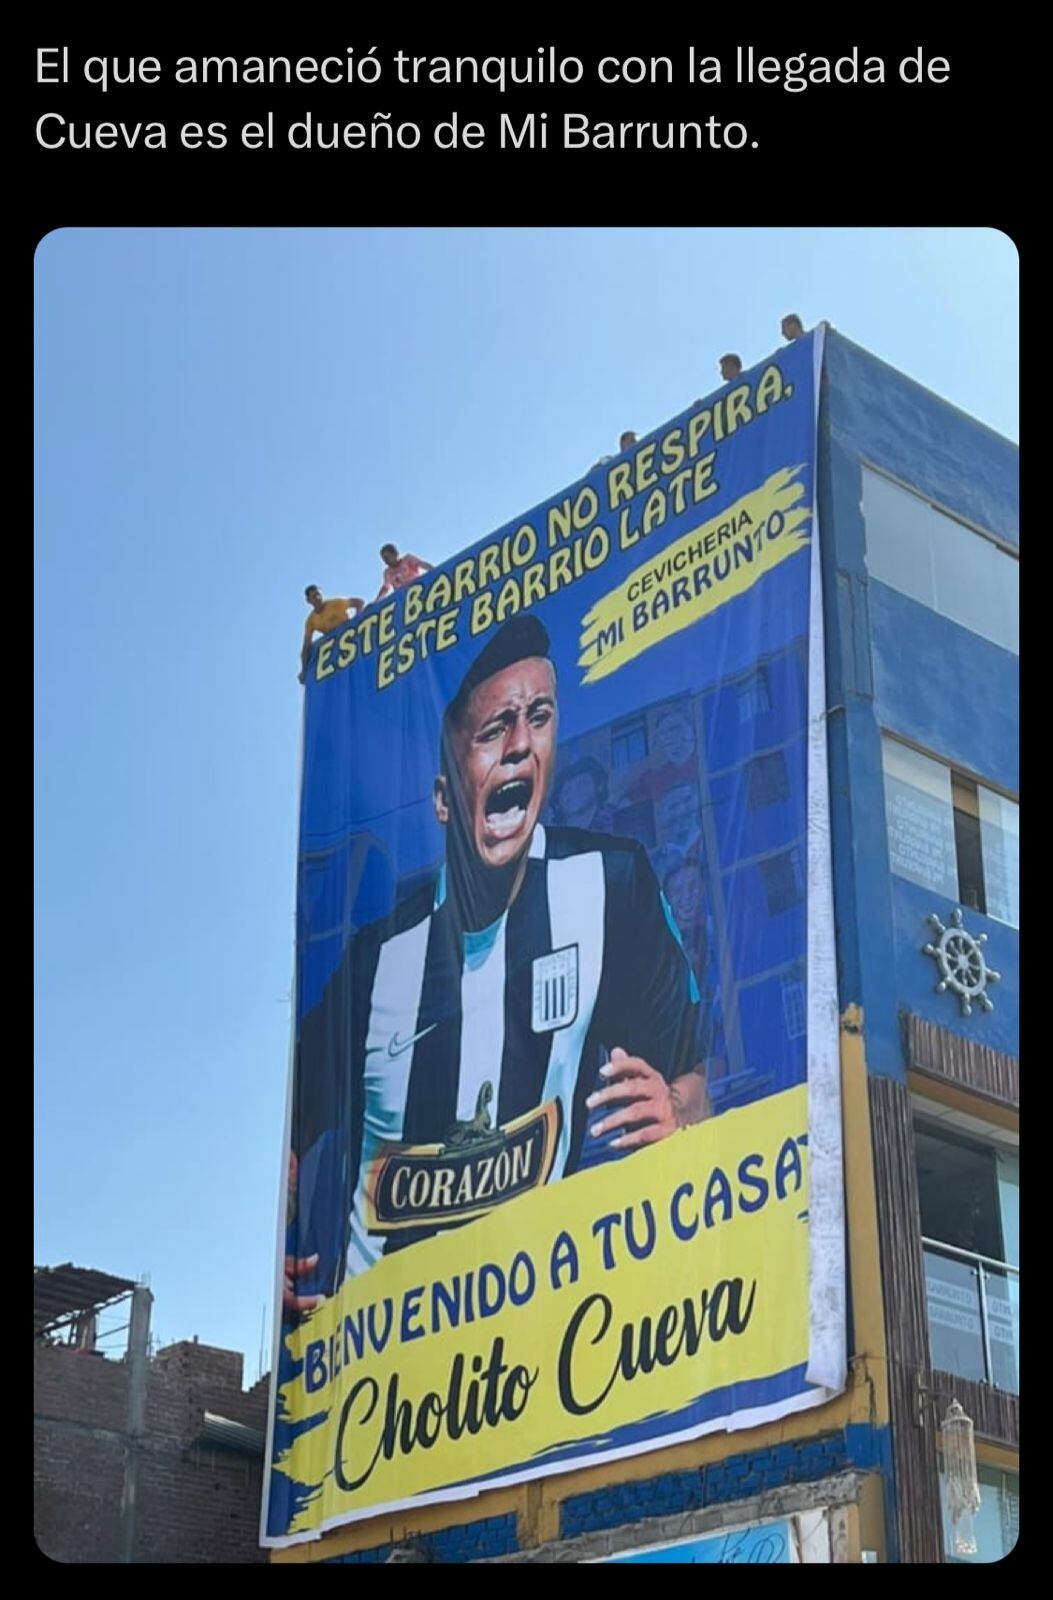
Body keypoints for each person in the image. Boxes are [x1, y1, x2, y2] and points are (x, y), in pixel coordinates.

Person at [286, 615, 710, 1307]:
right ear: (444, 798)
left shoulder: (611, 885)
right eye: (491, 731)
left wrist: (680, 1114)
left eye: (537, 717)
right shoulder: (376, 960)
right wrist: (276, 1241)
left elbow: (692, 1077)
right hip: (383, 1364)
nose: (518, 745)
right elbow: (292, 1133)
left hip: (542, 1336)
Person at [300, 586, 364, 683]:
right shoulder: (311, 621)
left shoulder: (335, 603)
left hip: (350, 638)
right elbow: (306, 646)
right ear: (308, 600)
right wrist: (304, 670)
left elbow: (359, 602)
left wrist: (356, 623)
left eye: (318, 594)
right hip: (337, 648)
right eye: (314, 596)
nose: (317, 598)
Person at [550, 755, 617, 833]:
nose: (573, 792)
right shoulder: (553, 836)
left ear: (599, 786)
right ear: (557, 802)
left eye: (581, 784)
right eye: (566, 791)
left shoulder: (619, 821)